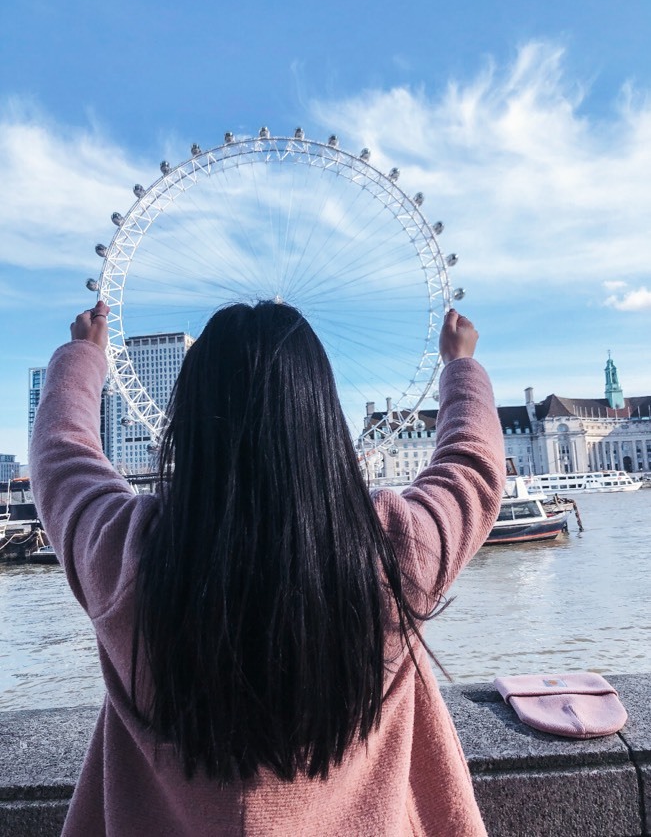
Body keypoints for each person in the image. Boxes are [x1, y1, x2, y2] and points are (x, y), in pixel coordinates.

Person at [31, 300, 505, 836]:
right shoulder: (393, 549)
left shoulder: (124, 552)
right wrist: (459, 365)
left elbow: (61, 459)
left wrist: (81, 358)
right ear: (324, 417)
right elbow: (472, 469)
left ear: (186, 420)